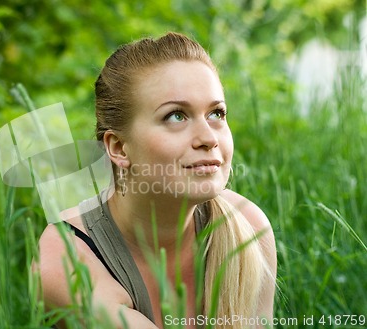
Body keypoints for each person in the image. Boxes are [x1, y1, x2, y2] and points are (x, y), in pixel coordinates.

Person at [34, 32, 277, 329]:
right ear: (119, 147)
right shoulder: (65, 255)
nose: (209, 138)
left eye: (216, 113)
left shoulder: (247, 228)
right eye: (176, 116)